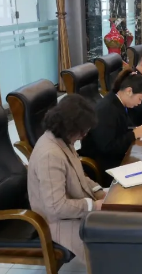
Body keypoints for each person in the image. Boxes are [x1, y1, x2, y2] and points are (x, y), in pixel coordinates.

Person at [27, 94, 105, 263]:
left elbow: (77, 175)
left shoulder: (62, 138)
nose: (84, 136)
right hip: (57, 222)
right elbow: (56, 207)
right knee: (105, 244)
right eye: (83, 131)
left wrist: (99, 191)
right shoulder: (50, 155)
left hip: (72, 211)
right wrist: (93, 205)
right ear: (71, 126)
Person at [80, 69, 142, 187]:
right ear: (129, 91)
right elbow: (107, 147)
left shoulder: (117, 102)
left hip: (116, 156)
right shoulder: (107, 109)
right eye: (140, 98)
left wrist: (135, 131)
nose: (140, 103)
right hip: (104, 162)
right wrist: (133, 134)